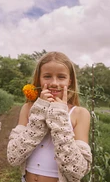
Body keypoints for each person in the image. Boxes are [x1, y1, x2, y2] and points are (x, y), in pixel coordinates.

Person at [7, 51, 92, 182]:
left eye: (61, 77)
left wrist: (60, 116)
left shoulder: (80, 114)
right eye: (47, 76)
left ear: (70, 81)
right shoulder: (28, 109)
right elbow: (13, 157)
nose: (54, 83)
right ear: (39, 79)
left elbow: (78, 171)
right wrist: (39, 113)